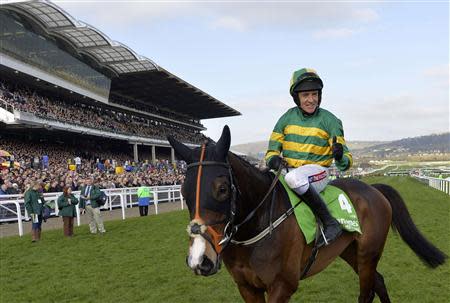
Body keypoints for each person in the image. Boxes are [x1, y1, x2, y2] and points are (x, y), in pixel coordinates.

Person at [265, 68, 352, 247]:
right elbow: (272, 151)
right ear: (296, 97)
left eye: (314, 94)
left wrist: (339, 155)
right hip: (288, 171)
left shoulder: (330, 121)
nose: (311, 99)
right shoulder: (285, 119)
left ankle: (330, 223)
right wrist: (273, 160)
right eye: (305, 95)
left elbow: (346, 162)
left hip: (318, 172)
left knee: (294, 177)